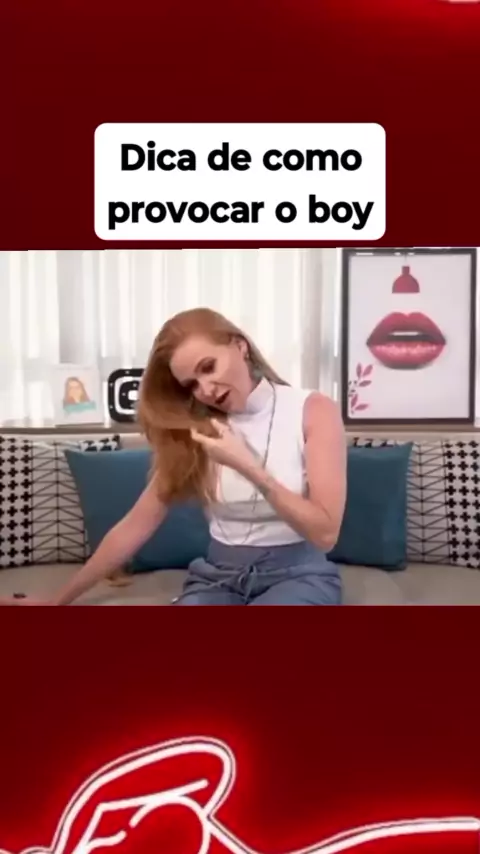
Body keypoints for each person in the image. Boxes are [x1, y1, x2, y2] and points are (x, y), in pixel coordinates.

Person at [1, 308, 346, 606]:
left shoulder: (313, 410)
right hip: (220, 576)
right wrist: (57, 601)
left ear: (239, 346)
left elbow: (325, 534)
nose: (206, 389)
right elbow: (135, 525)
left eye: (208, 367)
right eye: (191, 384)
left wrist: (247, 466)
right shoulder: (195, 429)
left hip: (298, 575)